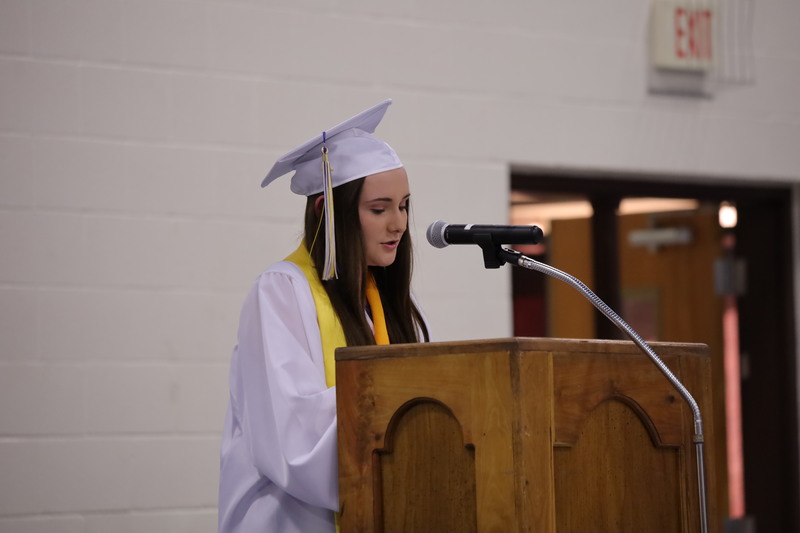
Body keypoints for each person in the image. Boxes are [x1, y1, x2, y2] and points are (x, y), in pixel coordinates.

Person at [218, 99, 430, 533]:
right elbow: (294, 437)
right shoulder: (280, 292)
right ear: (326, 214)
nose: (399, 224)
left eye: (404, 205)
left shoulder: (388, 304)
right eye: (380, 208)